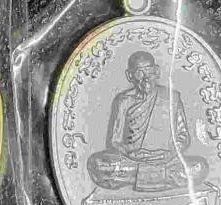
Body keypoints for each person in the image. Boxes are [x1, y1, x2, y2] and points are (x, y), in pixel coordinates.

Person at [87, 50, 208, 192]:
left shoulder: (171, 98)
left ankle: (136, 177)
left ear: (157, 71)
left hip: (166, 159)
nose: (146, 78)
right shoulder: (124, 101)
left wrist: (170, 153)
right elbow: (115, 141)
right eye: (140, 72)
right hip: (133, 160)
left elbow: (183, 137)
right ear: (130, 75)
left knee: (200, 167)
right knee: (98, 165)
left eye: (149, 71)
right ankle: (164, 177)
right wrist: (130, 153)